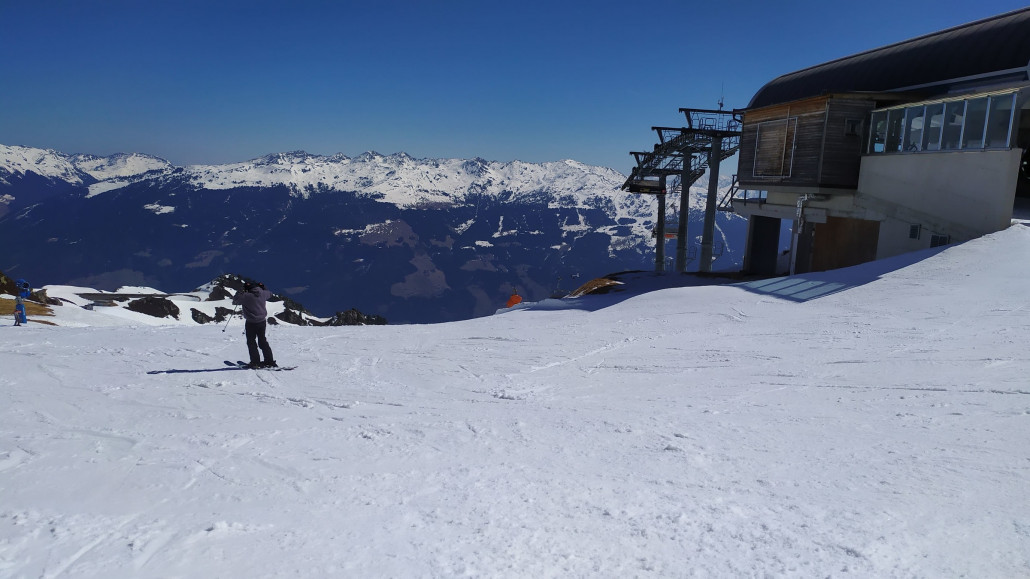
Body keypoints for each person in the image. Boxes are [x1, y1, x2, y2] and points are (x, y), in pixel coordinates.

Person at [232, 281, 276, 368]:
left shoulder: (246, 296)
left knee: (251, 342)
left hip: (251, 323)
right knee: (262, 341)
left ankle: (255, 362)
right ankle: (269, 361)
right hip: (262, 322)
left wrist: (240, 291)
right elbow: (270, 294)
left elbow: (235, 300)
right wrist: (263, 287)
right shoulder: (263, 293)